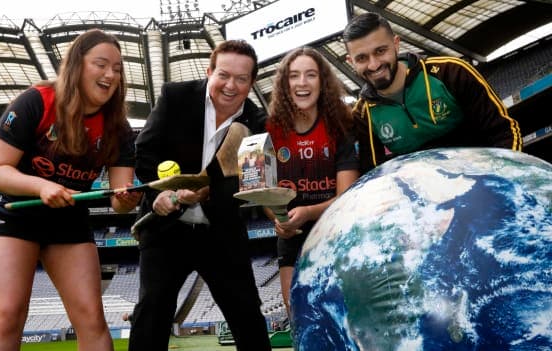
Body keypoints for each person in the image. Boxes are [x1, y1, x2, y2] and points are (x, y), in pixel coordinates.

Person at [0, 29, 140, 351]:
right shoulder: (37, 101)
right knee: (8, 315)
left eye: (118, 68)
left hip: (68, 218)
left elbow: (119, 199)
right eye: (101, 64)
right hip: (13, 212)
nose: (111, 74)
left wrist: (127, 197)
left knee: (92, 318)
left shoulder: (119, 128)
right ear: (77, 65)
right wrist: (41, 186)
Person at [128, 39, 271, 351]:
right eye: (223, 75)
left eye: (241, 78)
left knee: (247, 316)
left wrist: (209, 192)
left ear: (252, 82)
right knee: (151, 314)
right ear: (209, 71)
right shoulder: (175, 97)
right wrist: (160, 194)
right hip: (166, 228)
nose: (230, 86)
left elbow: (252, 183)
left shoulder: (258, 123)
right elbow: (145, 153)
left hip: (221, 231)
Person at [342, 12, 522, 174]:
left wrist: (506, 178)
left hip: (485, 178)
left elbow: (504, 132)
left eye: (380, 51)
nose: (374, 65)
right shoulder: (363, 113)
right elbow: (375, 173)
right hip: (428, 199)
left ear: (396, 44)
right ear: (351, 62)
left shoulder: (452, 73)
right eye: (362, 58)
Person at [265, 47, 359, 317]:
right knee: (299, 315)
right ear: (285, 84)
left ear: (323, 82)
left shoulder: (340, 126)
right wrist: (279, 219)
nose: (302, 83)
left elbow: (347, 195)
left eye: (311, 75)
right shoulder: (271, 130)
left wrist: (307, 212)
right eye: (294, 76)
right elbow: (265, 193)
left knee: (342, 315)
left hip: (335, 231)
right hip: (292, 236)